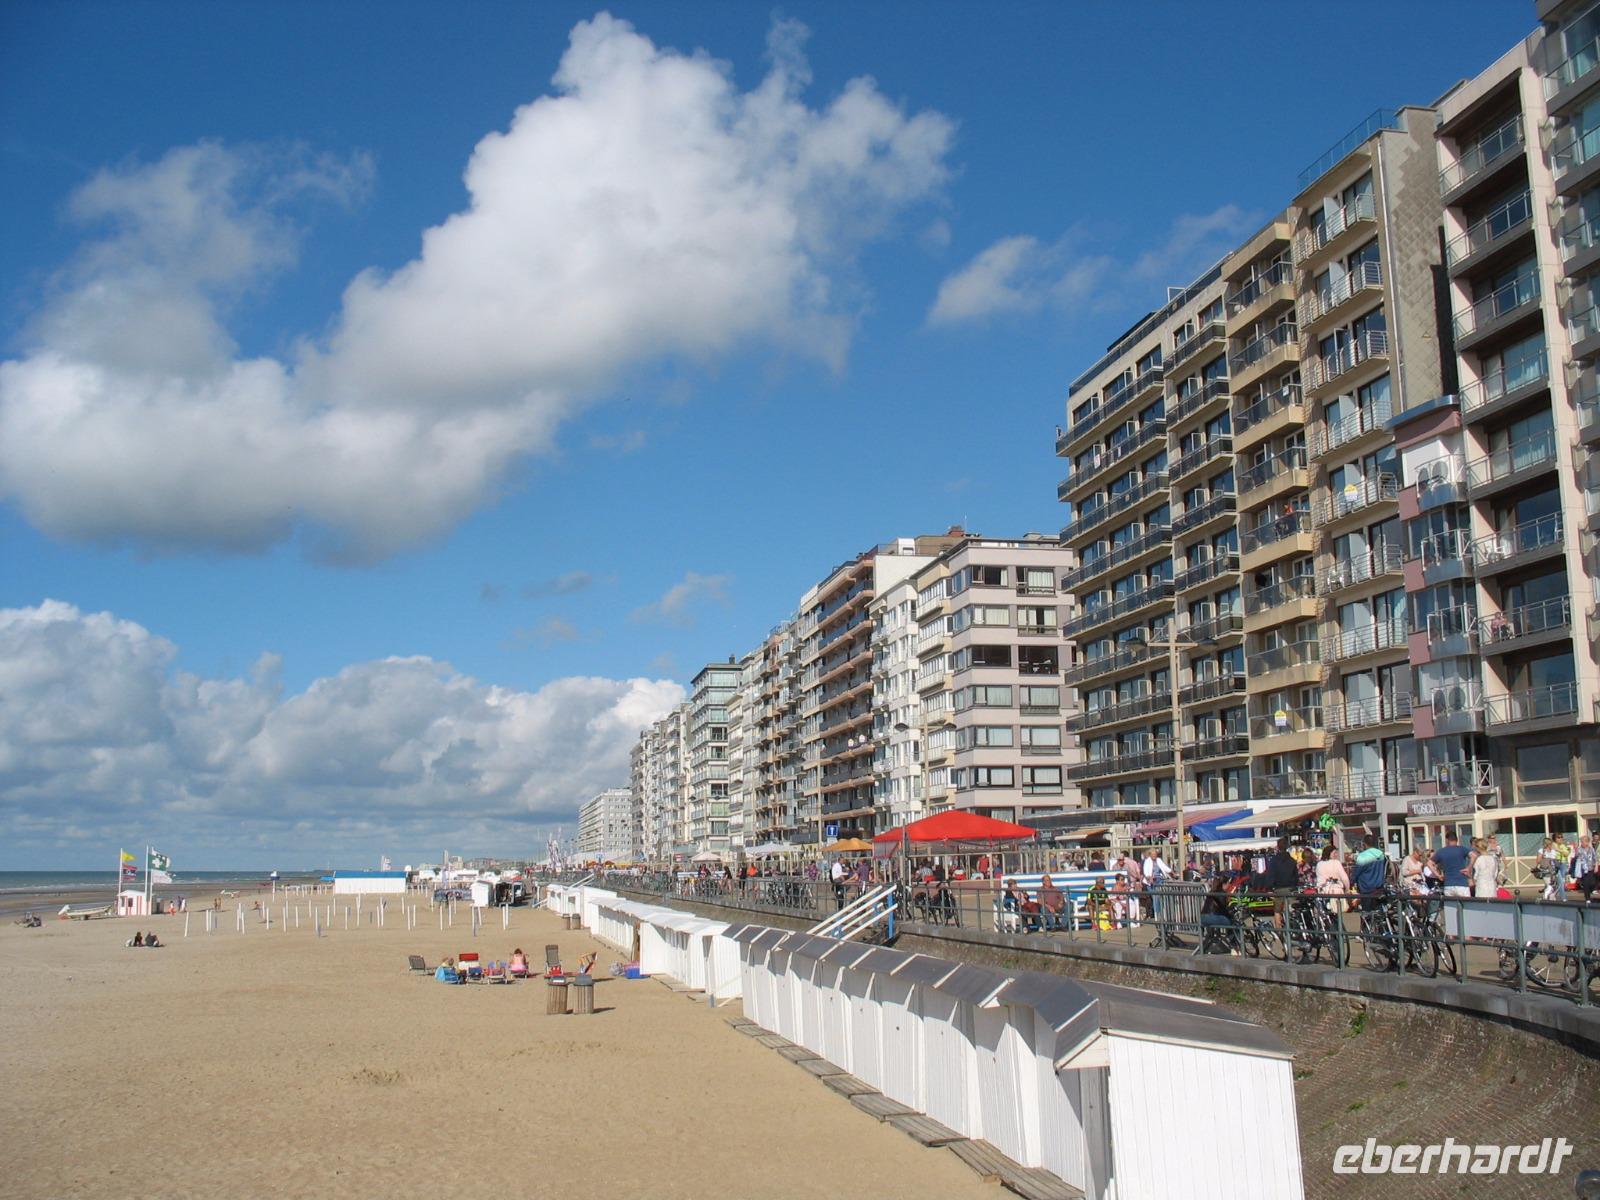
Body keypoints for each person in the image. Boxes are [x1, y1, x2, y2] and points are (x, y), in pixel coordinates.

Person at [1352, 835, 1390, 913]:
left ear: (1364, 844)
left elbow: (1356, 873)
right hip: (1379, 888)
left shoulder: (1362, 856)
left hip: (1366, 889)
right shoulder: (1381, 854)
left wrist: (1350, 882)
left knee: (1367, 914)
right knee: (1379, 914)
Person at [1430, 832, 1471, 900]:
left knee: (1451, 908)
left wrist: (1438, 875)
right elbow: (1474, 856)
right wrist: (1469, 867)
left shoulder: (1441, 851)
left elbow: (1429, 863)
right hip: (1462, 884)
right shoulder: (1462, 849)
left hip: (1449, 884)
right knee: (1466, 907)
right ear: (1457, 839)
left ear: (1447, 840)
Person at [1316, 845, 1350, 915]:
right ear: (1329, 853)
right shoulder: (1336, 863)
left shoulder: (1319, 864)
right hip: (1336, 892)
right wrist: (1347, 889)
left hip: (1323, 892)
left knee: (1326, 914)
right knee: (1337, 913)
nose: (1336, 855)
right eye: (1334, 853)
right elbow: (1344, 878)